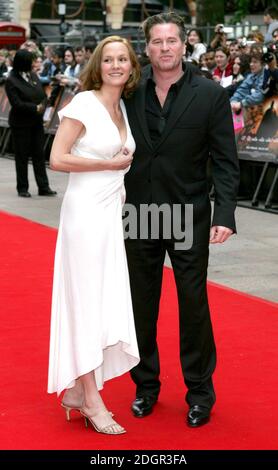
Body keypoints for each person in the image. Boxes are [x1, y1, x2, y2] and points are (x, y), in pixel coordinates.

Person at [124, 12, 239, 427]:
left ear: (185, 44)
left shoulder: (209, 95)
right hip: (139, 212)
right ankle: (146, 387)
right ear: (148, 47)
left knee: (193, 305)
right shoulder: (128, 91)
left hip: (188, 213)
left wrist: (224, 212)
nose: (166, 47)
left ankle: (200, 393)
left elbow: (226, 161)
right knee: (141, 306)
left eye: (173, 40)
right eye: (157, 41)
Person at [47, 36, 141, 435]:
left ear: (132, 66)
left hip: (109, 217)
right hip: (84, 215)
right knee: (85, 302)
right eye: (109, 60)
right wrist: (105, 165)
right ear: (97, 66)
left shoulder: (123, 107)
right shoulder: (84, 102)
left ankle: (76, 393)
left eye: (122, 59)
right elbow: (57, 158)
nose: (116, 65)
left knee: (102, 300)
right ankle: (91, 398)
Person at [5, 49, 56, 197]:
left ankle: (43, 187)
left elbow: (40, 93)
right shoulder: (11, 80)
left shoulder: (33, 75)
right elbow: (16, 103)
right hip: (20, 123)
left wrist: (44, 104)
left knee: (38, 155)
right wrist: (35, 107)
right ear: (23, 63)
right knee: (22, 156)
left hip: (36, 122)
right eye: (31, 61)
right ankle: (22, 188)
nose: (34, 64)